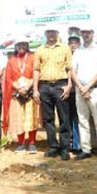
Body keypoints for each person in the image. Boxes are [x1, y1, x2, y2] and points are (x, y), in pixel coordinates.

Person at [33, 27, 73, 161]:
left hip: (61, 85)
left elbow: (69, 68)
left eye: (53, 32)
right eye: (48, 32)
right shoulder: (40, 50)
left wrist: (69, 85)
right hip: (44, 86)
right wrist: (35, 89)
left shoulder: (65, 48)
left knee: (64, 118)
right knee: (48, 119)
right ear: (45, 34)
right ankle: (53, 147)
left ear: (57, 33)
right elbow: (36, 70)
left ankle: (65, 148)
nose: (51, 34)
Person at [72, 25, 97, 161]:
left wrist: (87, 87)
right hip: (80, 90)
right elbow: (73, 71)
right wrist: (81, 87)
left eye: (88, 32)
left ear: (92, 33)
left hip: (94, 89)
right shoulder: (78, 51)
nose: (86, 34)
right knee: (82, 120)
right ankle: (85, 149)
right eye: (83, 32)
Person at [2, 36, 42, 153]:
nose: (21, 47)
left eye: (24, 44)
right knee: (18, 118)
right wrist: (18, 88)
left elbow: (37, 72)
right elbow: (8, 78)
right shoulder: (11, 60)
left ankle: (32, 143)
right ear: (15, 46)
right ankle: (21, 143)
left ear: (27, 45)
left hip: (30, 92)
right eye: (19, 45)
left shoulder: (33, 58)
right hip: (16, 93)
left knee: (31, 118)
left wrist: (28, 86)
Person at [66, 34, 82, 153]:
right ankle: (70, 142)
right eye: (71, 43)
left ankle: (78, 143)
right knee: (68, 117)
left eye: (75, 43)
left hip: (80, 90)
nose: (73, 45)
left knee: (78, 117)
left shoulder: (83, 55)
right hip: (68, 92)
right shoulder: (66, 56)